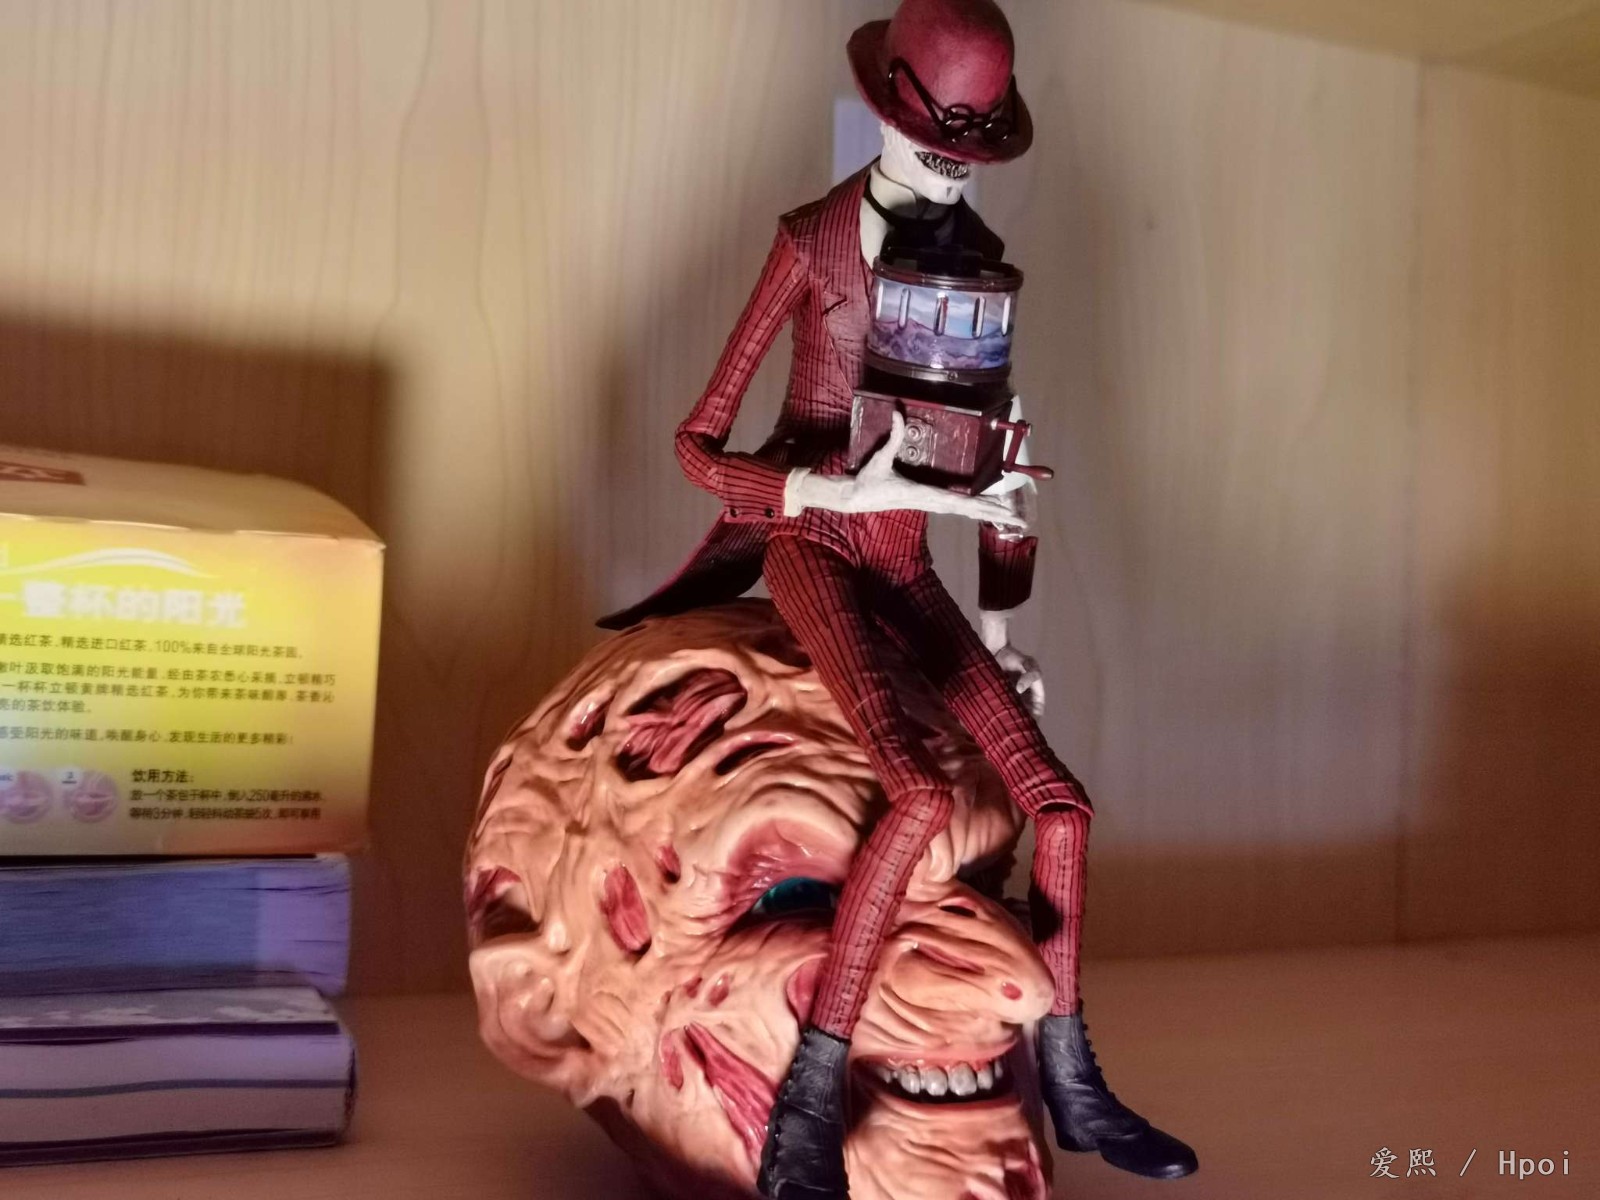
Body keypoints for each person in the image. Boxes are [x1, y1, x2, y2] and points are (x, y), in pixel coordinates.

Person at [601, 1, 1197, 1194]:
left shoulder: (977, 265)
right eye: (935, 147)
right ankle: (808, 1103)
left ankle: (1072, 1077)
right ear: (883, 115)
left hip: (908, 560)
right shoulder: (808, 244)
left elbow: (983, 462)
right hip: (815, 545)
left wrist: (1003, 609)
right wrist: (829, 486)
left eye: (971, 154)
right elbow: (697, 445)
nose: (951, 173)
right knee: (917, 793)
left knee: (1061, 808)